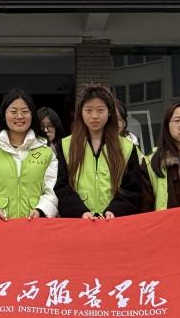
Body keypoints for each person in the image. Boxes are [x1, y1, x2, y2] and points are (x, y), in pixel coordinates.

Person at [55, 83, 143, 219]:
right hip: (79, 221)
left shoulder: (127, 147)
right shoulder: (66, 145)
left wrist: (114, 210)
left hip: (114, 222)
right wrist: (80, 211)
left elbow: (133, 189)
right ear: (81, 113)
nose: (94, 116)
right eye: (88, 110)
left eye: (100, 110)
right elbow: (61, 186)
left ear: (109, 112)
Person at [0, 88, 58, 220]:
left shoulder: (46, 152)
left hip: (34, 225)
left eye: (25, 111)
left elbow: (52, 191)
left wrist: (41, 210)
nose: (19, 116)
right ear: (4, 115)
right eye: (13, 111)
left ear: (32, 115)